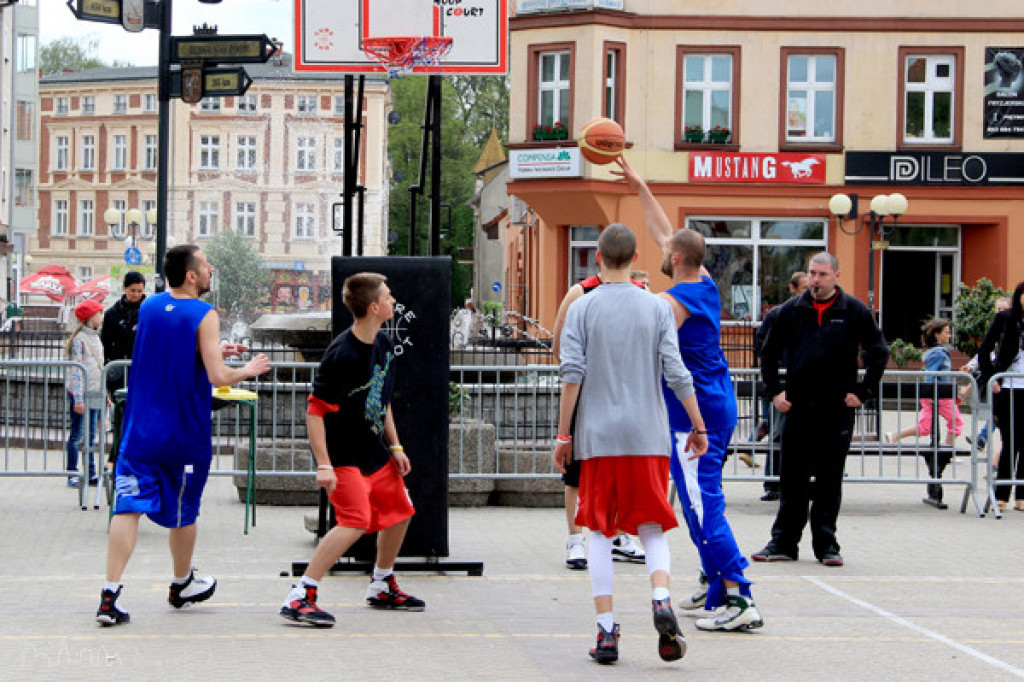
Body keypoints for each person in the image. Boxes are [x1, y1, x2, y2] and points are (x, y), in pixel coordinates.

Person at [616, 156, 763, 633]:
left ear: (675, 259)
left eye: (666, 251)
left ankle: (741, 596)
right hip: (714, 402)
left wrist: (608, 285)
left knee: (704, 506)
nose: (660, 249)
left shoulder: (674, 301)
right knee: (699, 504)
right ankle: (718, 587)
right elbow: (665, 233)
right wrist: (641, 185)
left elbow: (645, 315)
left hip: (693, 412)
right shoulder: (704, 282)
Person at [554, 223, 708, 664]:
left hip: (598, 437)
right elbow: (677, 373)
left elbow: (571, 375)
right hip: (648, 436)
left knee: (600, 530)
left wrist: (564, 435)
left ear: (597, 258)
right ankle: (660, 596)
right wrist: (698, 426)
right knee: (652, 526)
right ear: (636, 256)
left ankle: (606, 631)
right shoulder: (656, 307)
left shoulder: (583, 307)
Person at [96, 245, 270, 626]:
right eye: (206, 265)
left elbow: (169, 347)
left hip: (140, 429)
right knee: (183, 511)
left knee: (127, 507)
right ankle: (180, 583)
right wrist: (249, 368)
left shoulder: (150, 306)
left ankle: (110, 596)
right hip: (183, 433)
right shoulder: (205, 313)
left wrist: (213, 349)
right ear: (192, 276)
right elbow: (218, 377)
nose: (210, 270)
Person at [280, 272, 425, 627]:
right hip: (343, 455)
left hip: (373, 451)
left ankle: (381, 583)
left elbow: (382, 399)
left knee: (401, 511)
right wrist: (324, 465)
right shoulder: (342, 355)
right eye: (389, 297)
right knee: (355, 521)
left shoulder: (385, 346)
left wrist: (395, 445)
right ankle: (302, 595)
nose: (394, 301)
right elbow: (315, 412)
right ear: (374, 307)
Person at [752, 251, 889, 567]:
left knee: (829, 480)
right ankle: (783, 542)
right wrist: (774, 391)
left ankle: (827, 544)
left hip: (836, 409)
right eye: (812, 273)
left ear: (836, 276)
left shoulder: (854, 310)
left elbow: (878, 352)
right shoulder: (791, 310)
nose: (815, 280)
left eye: (822, 275)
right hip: (798, 408)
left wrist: (863, 392)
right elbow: (768, 352)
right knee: (792, 479)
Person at [551, 273, 647, 570]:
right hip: (587, 392)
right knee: (575, 469)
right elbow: (559, 347)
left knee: (619, 466)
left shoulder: (640, 296)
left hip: (623, 394)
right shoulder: (580, 293)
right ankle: (575, 539)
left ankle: (619, 534)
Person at [885, 317, 962, 508]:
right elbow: (932, 374)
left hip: (933, 395)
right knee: (957, 422)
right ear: (937, 335)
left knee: (926, 427)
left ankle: (895, 436)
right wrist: (931, 393)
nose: (949, 335)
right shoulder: (939, 353)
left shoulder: (932, 352)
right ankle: (946, 451)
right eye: (946, 332)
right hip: (939, 395)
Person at [754, 271, 808, 501]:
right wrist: (775, 385)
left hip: (806, 385)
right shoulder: (777, 315)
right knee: (777, 436)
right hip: (781, 385)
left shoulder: (814, 315)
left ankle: (804, 484)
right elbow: (762, 350)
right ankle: (773, 483)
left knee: (807, 437)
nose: (809, 291)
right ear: (792, 288)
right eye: (804, 287)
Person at [978, 280, 1024, 513]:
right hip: (1008, 387)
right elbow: (984, 349)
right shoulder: (1006, 319)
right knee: (1011, 440)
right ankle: (1002, 493)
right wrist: (992, 377)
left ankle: (1021, 496)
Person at [101, 271, 147, 468]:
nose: (136, 294)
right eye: (132, 291)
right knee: (121, 415)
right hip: (119, 371)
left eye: (139, 291)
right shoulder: (112, 313)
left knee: (140, 415)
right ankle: (116, 456)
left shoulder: (148, 311)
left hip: (142, 371)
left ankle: (134, 456)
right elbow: (105, 343)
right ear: (125, 289)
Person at [960, 296, 1012, 451]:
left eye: (1004, 309)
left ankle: (984, 440)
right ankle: (983, 439)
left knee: (1003, 416)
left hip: (1011, 380)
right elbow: (985, 352)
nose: (1000, 312)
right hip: (998, 382)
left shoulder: (1014, 329)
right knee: (1000, 414)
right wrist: (971, 366)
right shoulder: (996, 328)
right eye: (998, 309)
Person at [65, 298, 106, 488]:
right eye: (99, 313)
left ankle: (90, 472)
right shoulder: (79, 340)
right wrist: (78, 398)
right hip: (81, 394)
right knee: (77, 434)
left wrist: (104, 394)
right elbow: (76, 371)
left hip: (94, 392)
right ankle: (72, 472)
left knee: (90, 436)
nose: (102, 317)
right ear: (91, 317)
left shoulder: (96, 337)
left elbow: (100, 367)